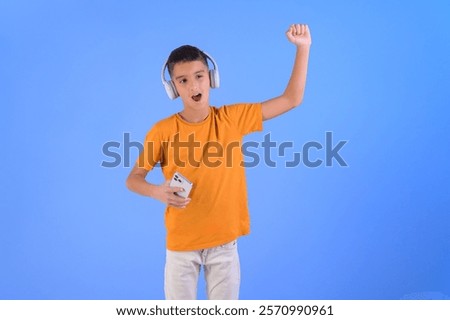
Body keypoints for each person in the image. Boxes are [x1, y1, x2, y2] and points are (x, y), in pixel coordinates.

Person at [126, 23, 312, 300]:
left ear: (211, 78)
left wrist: (303, 48)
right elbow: (133, 179)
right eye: (183, 80)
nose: (193, 86)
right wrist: (156, 190)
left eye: (199, 76)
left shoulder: (232, 118)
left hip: (224, 245)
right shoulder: (162, 131)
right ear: (173, 88)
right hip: (181, 246)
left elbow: (291, 99)